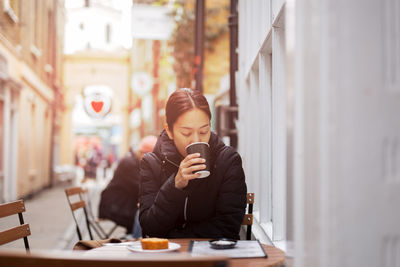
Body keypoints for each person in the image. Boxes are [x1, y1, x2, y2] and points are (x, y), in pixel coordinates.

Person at [139, 88, 247, 239]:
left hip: (212, 257)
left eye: (204, 131)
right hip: (167, 258)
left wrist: (175, 236)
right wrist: (174, 186)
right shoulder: (152, 164)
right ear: (169, 131)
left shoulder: (228, 161)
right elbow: (150, 226)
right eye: (186, 133)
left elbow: (227, 227)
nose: (196, 140)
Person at [98, 135, 157, 235]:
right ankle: (135, 239)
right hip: (115, 207)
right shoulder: (129, 163)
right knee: (143, 215)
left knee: (145, 212)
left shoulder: (134, 161)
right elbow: (141, 188)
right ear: (145, 153)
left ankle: (135, 236)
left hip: (122, 204)